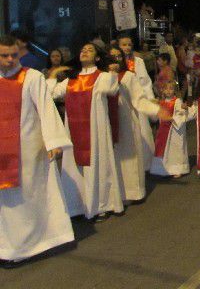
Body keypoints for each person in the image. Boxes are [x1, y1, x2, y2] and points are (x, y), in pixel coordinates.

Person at [0, 35, 74, 266]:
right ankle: (7, 245)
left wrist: (53, 142)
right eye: (4, 55)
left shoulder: (32, 78)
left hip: (27, 150)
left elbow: (46, 108)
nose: (10, 59)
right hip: (2, 153)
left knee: (25, 199)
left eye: (14, 54)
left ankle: (25, 245)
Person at [50, 43, 123, 221]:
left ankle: (101, 206)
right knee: (75, 167)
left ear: (97, 58)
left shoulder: (102, 76)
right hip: (73, 132)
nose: (84, 51)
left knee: (97, 165)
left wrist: (113, 71)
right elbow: (52, 93)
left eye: (90, 50)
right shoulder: (71, 80)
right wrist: (53, 75)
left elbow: (111, 89)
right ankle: (77, 206)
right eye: (82, 49)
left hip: (96, 131)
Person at [107, 46, 169, 202]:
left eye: (118, 57)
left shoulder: (128, 76)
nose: (115, 60)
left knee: (129, 159)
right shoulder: (101, 77)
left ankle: (133, 192)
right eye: (111, 57)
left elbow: (139, 99)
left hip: (126, 122)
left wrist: (155, 110)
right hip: (106, 123)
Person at [118, 35, 155, 169]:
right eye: (124, 45)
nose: (127, 47)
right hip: (121, 102)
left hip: (138, 100)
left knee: (142, 131)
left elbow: (145, 82)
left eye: (129, 44)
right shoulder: (114, 62)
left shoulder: (137, 61)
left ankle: (145, 163)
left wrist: (149, 100)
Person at [150, 81, 190, 178]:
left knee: (175, 150)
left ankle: (178, 169)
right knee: (164, 149)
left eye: (171, 88)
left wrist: (172, 117)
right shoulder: (162, 102)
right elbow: (156, 115)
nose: (168, 91)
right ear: (163, 90)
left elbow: (180, 114)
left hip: (175, 130)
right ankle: (164, 169)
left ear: (175, 91)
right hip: (163, 130)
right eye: (166, 89)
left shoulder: (177, 101)